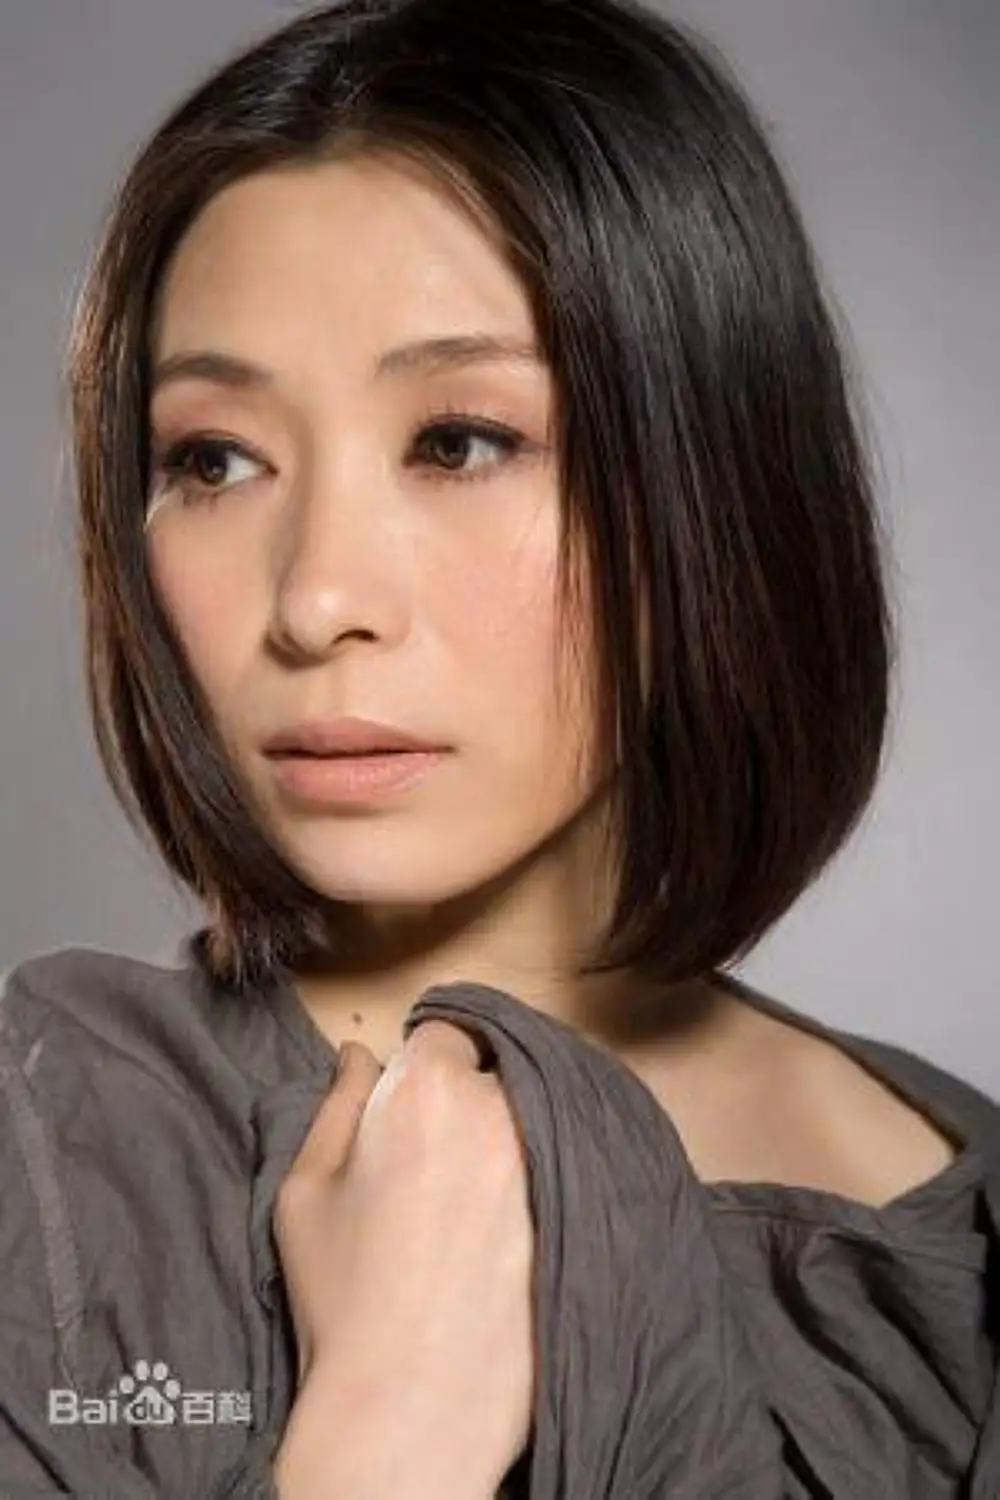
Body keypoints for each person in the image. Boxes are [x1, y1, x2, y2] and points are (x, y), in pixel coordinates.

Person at [2, 0, 998, 1495]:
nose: (316, 601)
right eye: (214, 458)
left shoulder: (960, 1193)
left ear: (712, 478)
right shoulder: (56, 1150)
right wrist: (389, 1428)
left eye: (459, 442)